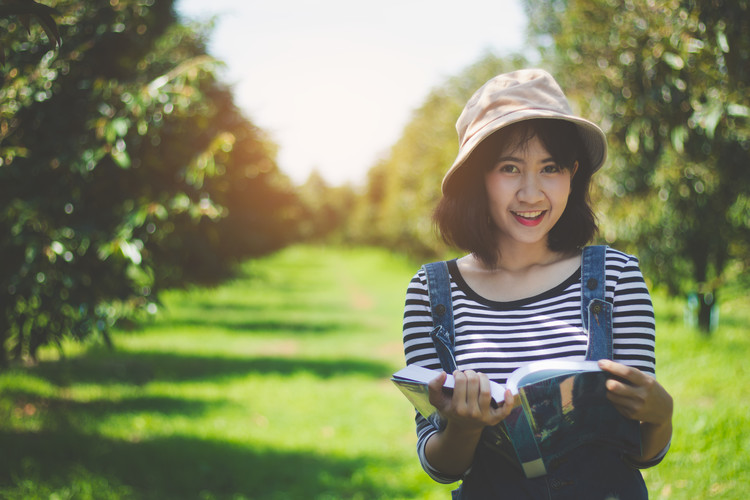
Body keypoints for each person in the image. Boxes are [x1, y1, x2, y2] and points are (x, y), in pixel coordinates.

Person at [401, 69, 673, 499]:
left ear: (573, 173)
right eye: (510, 168)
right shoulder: (432, 292)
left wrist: (661, 417)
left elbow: (640, 448)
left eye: (551, 168)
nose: (531, 193)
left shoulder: (616, 277)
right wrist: (465, 428)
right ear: (478, 177)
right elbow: (440, 465)